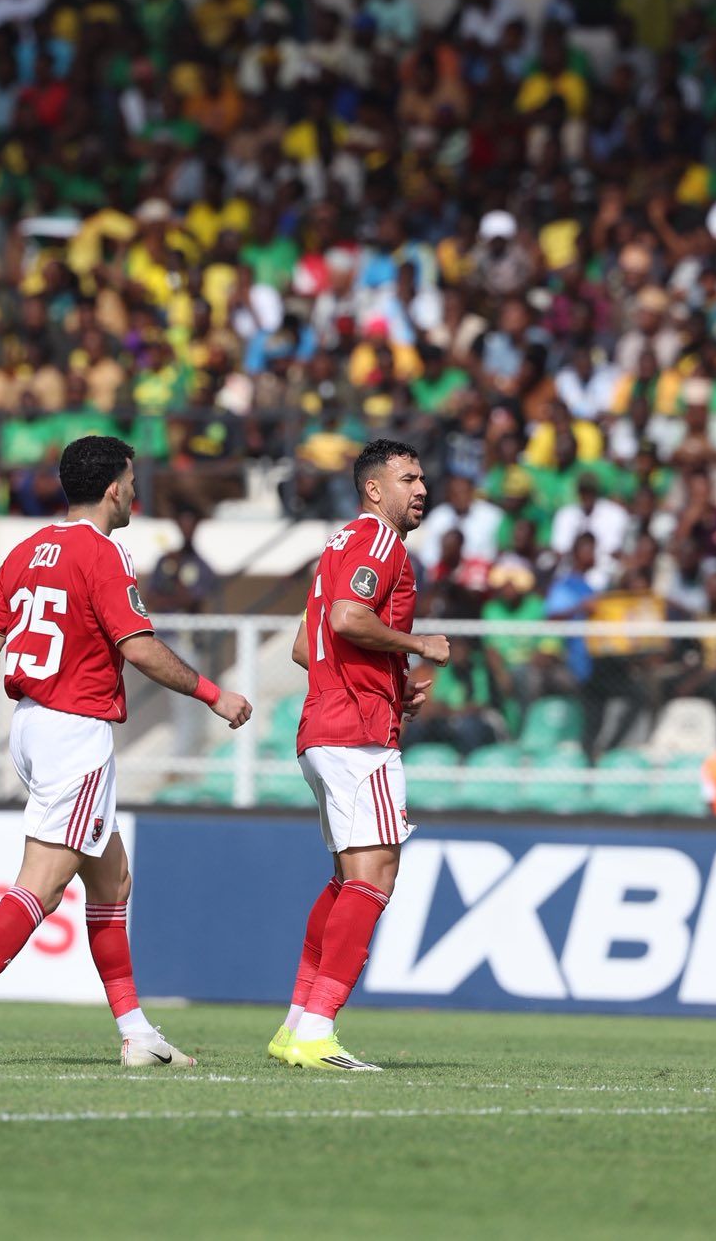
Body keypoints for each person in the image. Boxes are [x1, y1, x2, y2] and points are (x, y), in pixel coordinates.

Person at [0, 435, 253, 1069]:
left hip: (35, 725)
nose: (134, 491)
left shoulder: (26, 550)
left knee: (113, 878)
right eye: (129, 481)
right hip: (76, 730)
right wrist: (214, 693)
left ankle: (137, 1034)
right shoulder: (103, 555)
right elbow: (140, 647)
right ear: (111, 489)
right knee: (40, 886)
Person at [274, 439, 450, 1072]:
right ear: (375, 489)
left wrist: (394, 684)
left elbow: (305, 643)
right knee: (375, 878)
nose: (422, 488)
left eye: (423, 477)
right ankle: (319, 1030)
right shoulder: (379, 542)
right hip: (357, 735)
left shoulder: (338, 545)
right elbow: (349, 619)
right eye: (409, 477)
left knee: (350, 879)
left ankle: (297, 1022)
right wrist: (417, 642)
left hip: (327, 725)